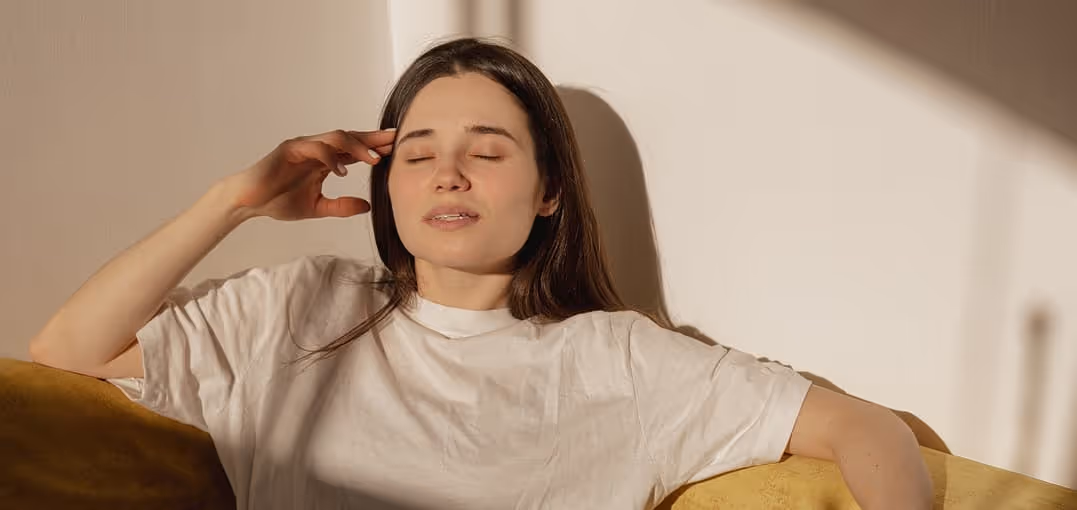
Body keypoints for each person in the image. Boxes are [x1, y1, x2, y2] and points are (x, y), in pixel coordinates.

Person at [29, 38, 932, 509]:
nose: (446, 174)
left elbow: (871, 432)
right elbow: (66, 351)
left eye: (486, 152)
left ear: (548, 192)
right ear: (386, 182)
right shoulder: (299, 310)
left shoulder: (619, 360)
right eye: (415, 153)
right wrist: (231, 201)